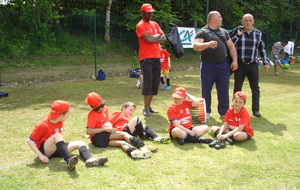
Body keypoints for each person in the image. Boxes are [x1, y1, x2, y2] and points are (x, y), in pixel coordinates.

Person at [27, 100, 108, 171]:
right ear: (62, 114)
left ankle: (90, 160)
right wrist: (41, 156)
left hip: (56, 149)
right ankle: (68, 160)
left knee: (80, 143)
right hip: (45, 151)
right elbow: (30, 141)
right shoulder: (42, 125)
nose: (69, 113)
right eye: (68, 112)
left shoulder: (59, 121)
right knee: (57, 135)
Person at [84, 92, 157, 159]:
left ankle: (133, 152)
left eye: (102, 105)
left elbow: (108, 121)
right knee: (123, 134)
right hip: (98, 138)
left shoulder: (105, 109)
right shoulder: (92, 115)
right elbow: (89, 131)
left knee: (121, 143)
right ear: (92, 108)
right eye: (97, 108)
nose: (101, 108)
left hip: (104, 137)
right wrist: (104, 129)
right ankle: (143, 146)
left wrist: (109, 126)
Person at [193, 11, 238, 119]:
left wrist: (235, 61)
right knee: (206, 89)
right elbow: (195, 46)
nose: (222, 19)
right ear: (213, 19)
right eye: (220, 17)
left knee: (223, 89)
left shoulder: (223, 32)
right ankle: (206, 111)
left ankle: (224, 112)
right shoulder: (203, 32)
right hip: (208, 65)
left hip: (223, 65)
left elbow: (231, 46)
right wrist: (207, 44)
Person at [230, 13, 269, 118]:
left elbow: (262, 49)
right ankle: (234, 109)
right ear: (242, 21)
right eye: (245, 20)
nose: (247, 22)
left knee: (255, 88)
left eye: (249, 20)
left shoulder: (258, 33)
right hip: (240, 65)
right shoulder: (237, 31)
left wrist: (266, 62)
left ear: (253, 21)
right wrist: (238, 35)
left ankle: (256, 110)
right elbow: (230, 44)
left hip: (252, 65)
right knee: (237, 88)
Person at [135, 3, 166, 117]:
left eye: (152, 12)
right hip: (146, 57)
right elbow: (147, 39)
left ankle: (149, 106)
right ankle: (145, 108)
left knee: (155, 82)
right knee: (148, 82)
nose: (151, 14)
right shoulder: (140, 25)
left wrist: (155, 38)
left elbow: (164, 37)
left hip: (157, 57)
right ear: (143, 13)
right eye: (148, 13)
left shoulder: (155, 24)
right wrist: (156, 37)